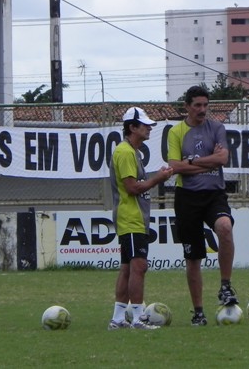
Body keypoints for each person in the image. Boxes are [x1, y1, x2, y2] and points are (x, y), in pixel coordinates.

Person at [167, 85, 238, 326]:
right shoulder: (176, 132)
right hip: (186, 197)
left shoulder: (217, 128)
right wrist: (208, 163)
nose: (202, 110)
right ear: (186, 106)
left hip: (214, 194)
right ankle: (198, 312)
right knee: (193, 257)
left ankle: (225, 286)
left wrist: (194, 161)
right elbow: (175, 166)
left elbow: (223, 159)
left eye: (205, 105)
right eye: (197, 105)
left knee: (225, 228)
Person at [108, 106, 173, 330]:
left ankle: (117, 319)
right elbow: (132, 187)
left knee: (127, 267)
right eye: (144, 125)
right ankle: (137, 318)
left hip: (132, 218)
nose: (149, 129)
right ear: (132, 127)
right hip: (131, 218)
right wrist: (159, 178)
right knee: (139, 266)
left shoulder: (131, 152)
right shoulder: (125, 152)